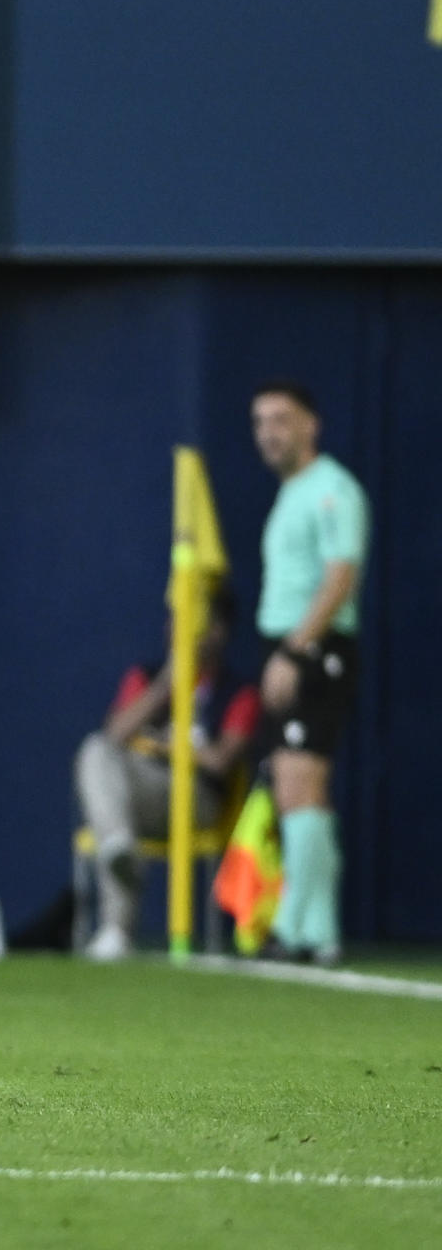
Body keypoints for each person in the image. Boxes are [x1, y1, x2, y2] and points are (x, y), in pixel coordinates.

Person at [249, 381, 369, 966]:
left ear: (310, 425)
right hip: (291, 646)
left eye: (281, 419)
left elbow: (340, 574)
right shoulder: (292, 492)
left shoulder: (333, 490)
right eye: (260, 422)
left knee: (303, 782)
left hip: (315, 650)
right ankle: (305, 928)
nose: (270, 432)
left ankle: (309, 932)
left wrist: (296, 652)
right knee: (293, 785)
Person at [75, 589, 261, 961]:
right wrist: (166, 685)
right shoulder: (147, 676)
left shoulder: (239, 692)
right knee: (95, 753)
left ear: (219, 631)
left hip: (198, 798)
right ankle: (115, 924)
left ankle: (117, 901)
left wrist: (166, 745)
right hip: (142, 789)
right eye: (175, 616)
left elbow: (221, 760)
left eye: (193, 618)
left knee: (112, 812)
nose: (179, 626)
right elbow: (115, 735)